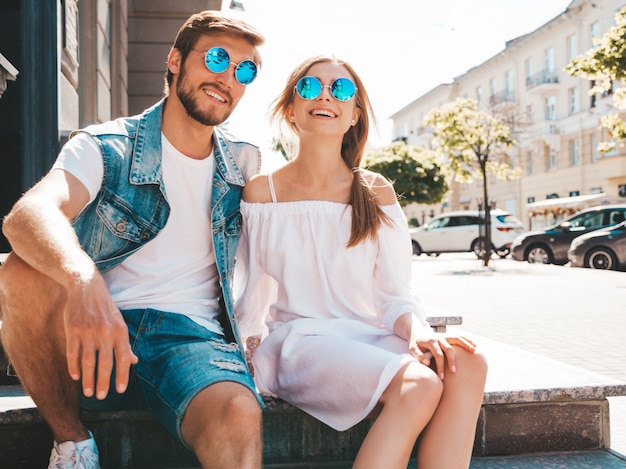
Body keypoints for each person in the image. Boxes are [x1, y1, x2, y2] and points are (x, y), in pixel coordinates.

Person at [0, 10, 265, 469]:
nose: (228, 78)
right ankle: (73, 445)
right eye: (218, 58)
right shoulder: (106, 146)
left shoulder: (244, 163)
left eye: (245, 71)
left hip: (192, 342)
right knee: (22, 269)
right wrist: (83, 279)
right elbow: (27, 216)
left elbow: (305, 223)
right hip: (93, 337)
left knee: (239, 412)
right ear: (176, 60)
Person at [234, 55, 488, 469]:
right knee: (420, 385)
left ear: (354, 114)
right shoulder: (262, 193)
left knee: (468, 361)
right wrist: (243, 351)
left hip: (361, 336)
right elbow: (249, 285)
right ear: (290, 108)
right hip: (299, 342)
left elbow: (395, 293)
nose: (327, 96)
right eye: (311, 87)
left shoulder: (372, 189)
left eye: (342, 89)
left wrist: (418, 331)